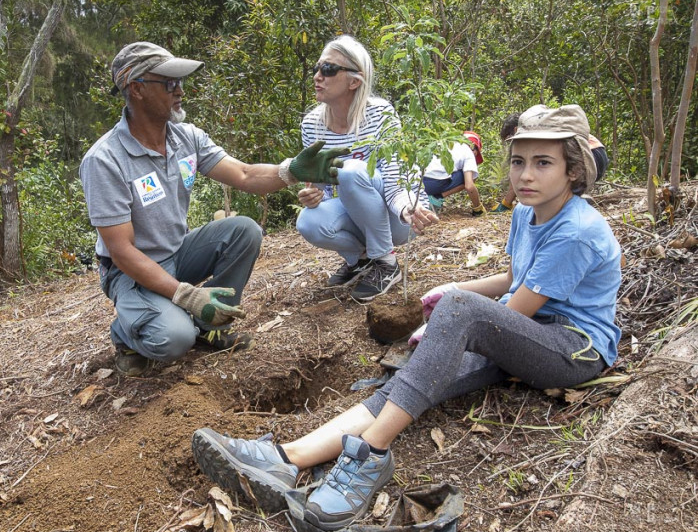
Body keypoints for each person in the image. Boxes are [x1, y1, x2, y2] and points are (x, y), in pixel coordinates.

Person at [192, 104, 622, 532]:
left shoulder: (576, 230)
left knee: (447, 332)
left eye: (543, 163)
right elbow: (512, 277)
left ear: (574, 172)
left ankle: (371, 456)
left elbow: (507, 313)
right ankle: (288, 457)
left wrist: (451, 321)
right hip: (525, 334)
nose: (525, 175)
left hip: (570, 349)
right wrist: (448, 294)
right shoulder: (528, 212)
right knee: (415, 378)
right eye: (518, 161)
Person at [80, 42, 395, 376]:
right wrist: (187, 296)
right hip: (130, 271)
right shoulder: (105, 160)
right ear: (137, 89)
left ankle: (210, 327)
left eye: (181, 82)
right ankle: (126, 334)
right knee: (173, 339)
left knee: (243, 230)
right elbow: (122, 251)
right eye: (169, 83)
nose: (180, 91)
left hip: (175, 253)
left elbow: (244, 174)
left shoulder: (185, 138)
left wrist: (291, 171)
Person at [294, 36, 437, 301]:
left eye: (328, 69)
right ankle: (360, 261)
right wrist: (313, 198)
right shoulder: (312, 124)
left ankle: (386, 263)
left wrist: (408, 208)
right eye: (317, 68)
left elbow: (395, 176)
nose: (317, 76)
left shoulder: (380, 114)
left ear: (354, 81)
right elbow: (323, 190)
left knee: (351, 170)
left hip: (397, 218)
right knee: (308, 222)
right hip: (361, 214)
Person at [491, 112, 609, 212]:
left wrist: (506, 204)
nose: (525, 176)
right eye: (517, 162)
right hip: (598, 152)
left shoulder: (535, 129)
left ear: (516, 130)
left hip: (589, 154)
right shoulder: (543, 121)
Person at [422, 131, 486, 216]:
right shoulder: (469, 152)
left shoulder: (446, 143)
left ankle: (433, 198)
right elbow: (469, 186)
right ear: (475, 149)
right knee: (468, 177)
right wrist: (478, 208)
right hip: (433, 185)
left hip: (419, 183)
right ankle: (437, 198)